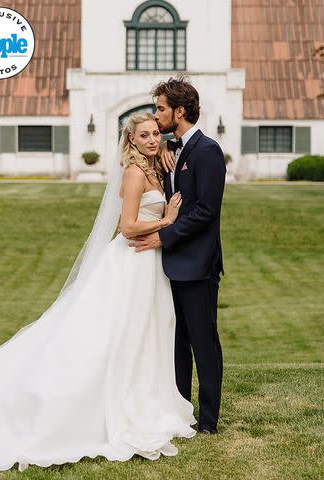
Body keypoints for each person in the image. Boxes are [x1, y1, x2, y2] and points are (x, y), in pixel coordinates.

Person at [0, 112, 197, 474]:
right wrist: (168, 220)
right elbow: (127, 226)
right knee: (114, 335)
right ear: (131, 141)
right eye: (143, 135)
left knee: (147, 332)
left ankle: (147, 397)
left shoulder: (154, 168)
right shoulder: (134, 173)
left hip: (149, 266)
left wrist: (168, 156)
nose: (151, 140)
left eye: (154, 134)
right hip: (131, 262)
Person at [128, 78, 226, 434]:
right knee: (177, 343)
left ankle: (209, 421)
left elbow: (205, 211)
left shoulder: (208, 151)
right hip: (171, 266)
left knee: (204, 342)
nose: (157, 115)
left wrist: (162, 237)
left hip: (198, 265)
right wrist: (168, 148)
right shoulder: (172, 150)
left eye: (161, 109)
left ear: (179, 112)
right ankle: (180, 411)